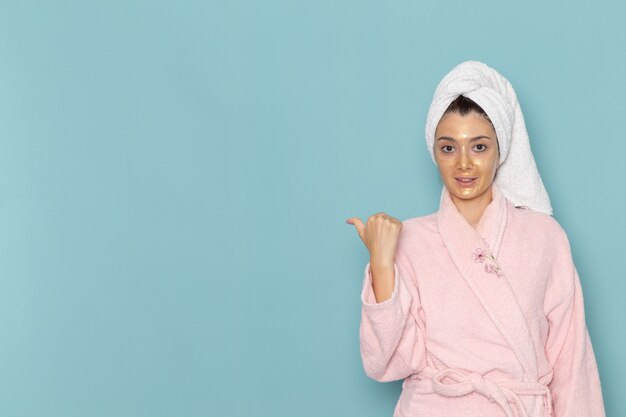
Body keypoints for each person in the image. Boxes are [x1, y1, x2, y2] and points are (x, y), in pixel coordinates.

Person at [346, 61, 606, 417]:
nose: (464, 164)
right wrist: (380, 262)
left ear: (501, 150)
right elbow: (385, 363)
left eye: (479, 147)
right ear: (434, 153)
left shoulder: (545, 238)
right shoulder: (410, 240)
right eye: (448, 148)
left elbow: (572, 362)